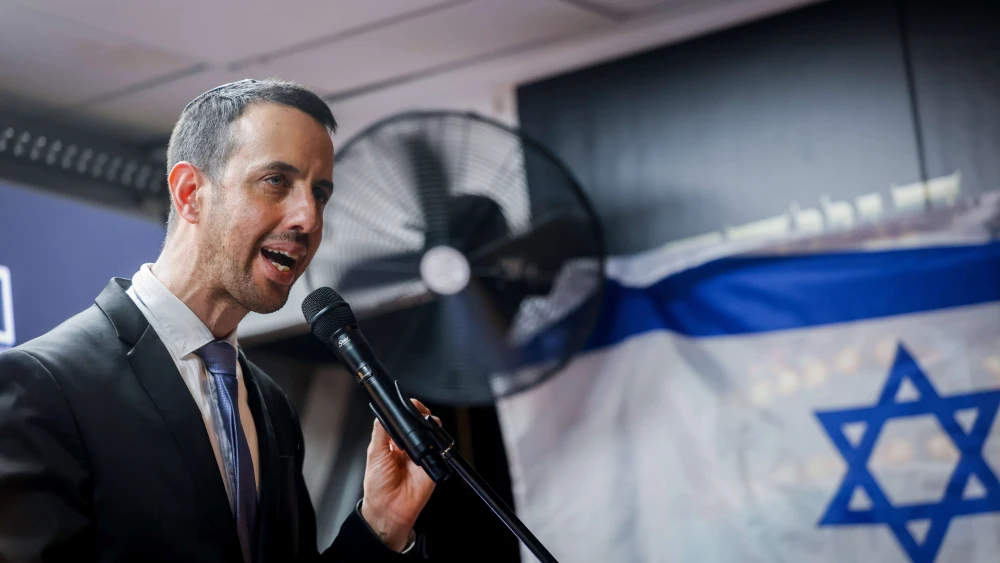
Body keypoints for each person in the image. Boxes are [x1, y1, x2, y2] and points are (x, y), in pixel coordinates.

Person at [0, 79, 437, 562]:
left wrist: (381, 525)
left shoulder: (271, 405)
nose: (309, 218)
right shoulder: (42, 385)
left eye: (320, 194)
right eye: (277, 181)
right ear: (190, 193)